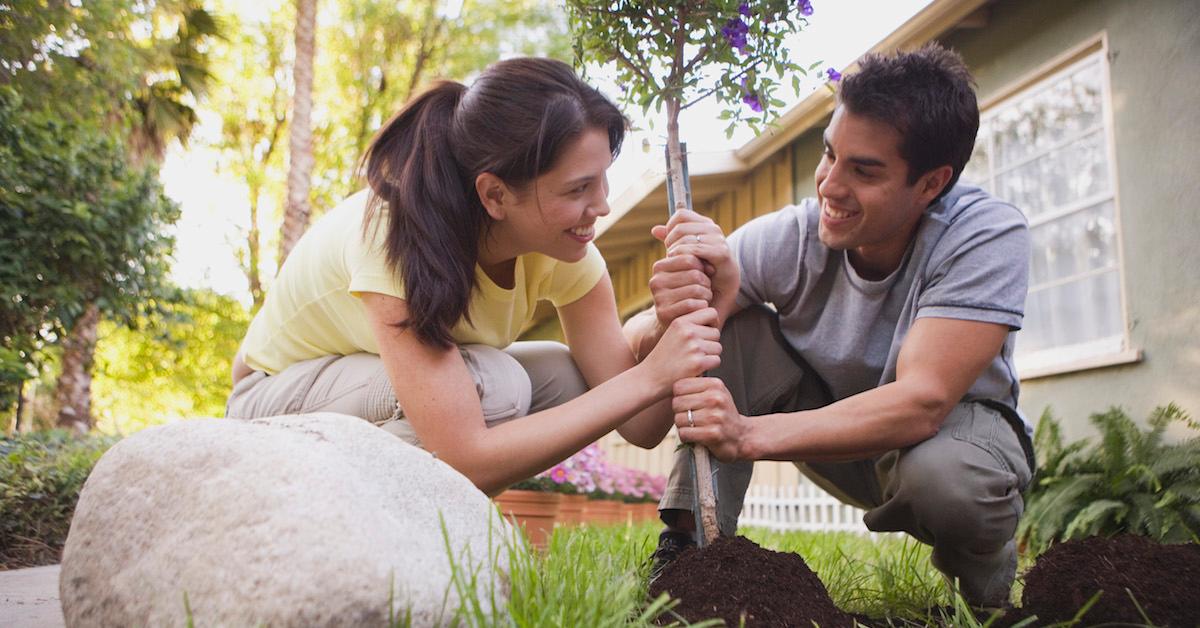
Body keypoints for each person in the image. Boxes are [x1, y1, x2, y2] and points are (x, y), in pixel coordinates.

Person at [625, 43, 1035, 609]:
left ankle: (987, 604)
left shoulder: (984, 235)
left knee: (945, 480)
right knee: (727, 330)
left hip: (945, 444)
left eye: (863, 170)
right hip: (833, 435)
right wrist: (674, 312)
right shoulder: (790, 238)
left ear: (932, 183)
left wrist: (744, 435)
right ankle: (690, 560)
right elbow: (649, 343)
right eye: (829, 154)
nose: (829, 185)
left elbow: (923, 401)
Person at [226, 57, 722, 497]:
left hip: (358, 387)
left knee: (568, 376)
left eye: (602, 180)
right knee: (497, 385)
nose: (602, 206)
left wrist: (674, 321)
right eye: (578, 188)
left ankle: (429, 518)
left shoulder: (567, 252)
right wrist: (651, 375)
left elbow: (640, 423)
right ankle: (338, 517)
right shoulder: (397, 234)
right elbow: (465, 454)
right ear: (495, 195)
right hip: (271, 400)